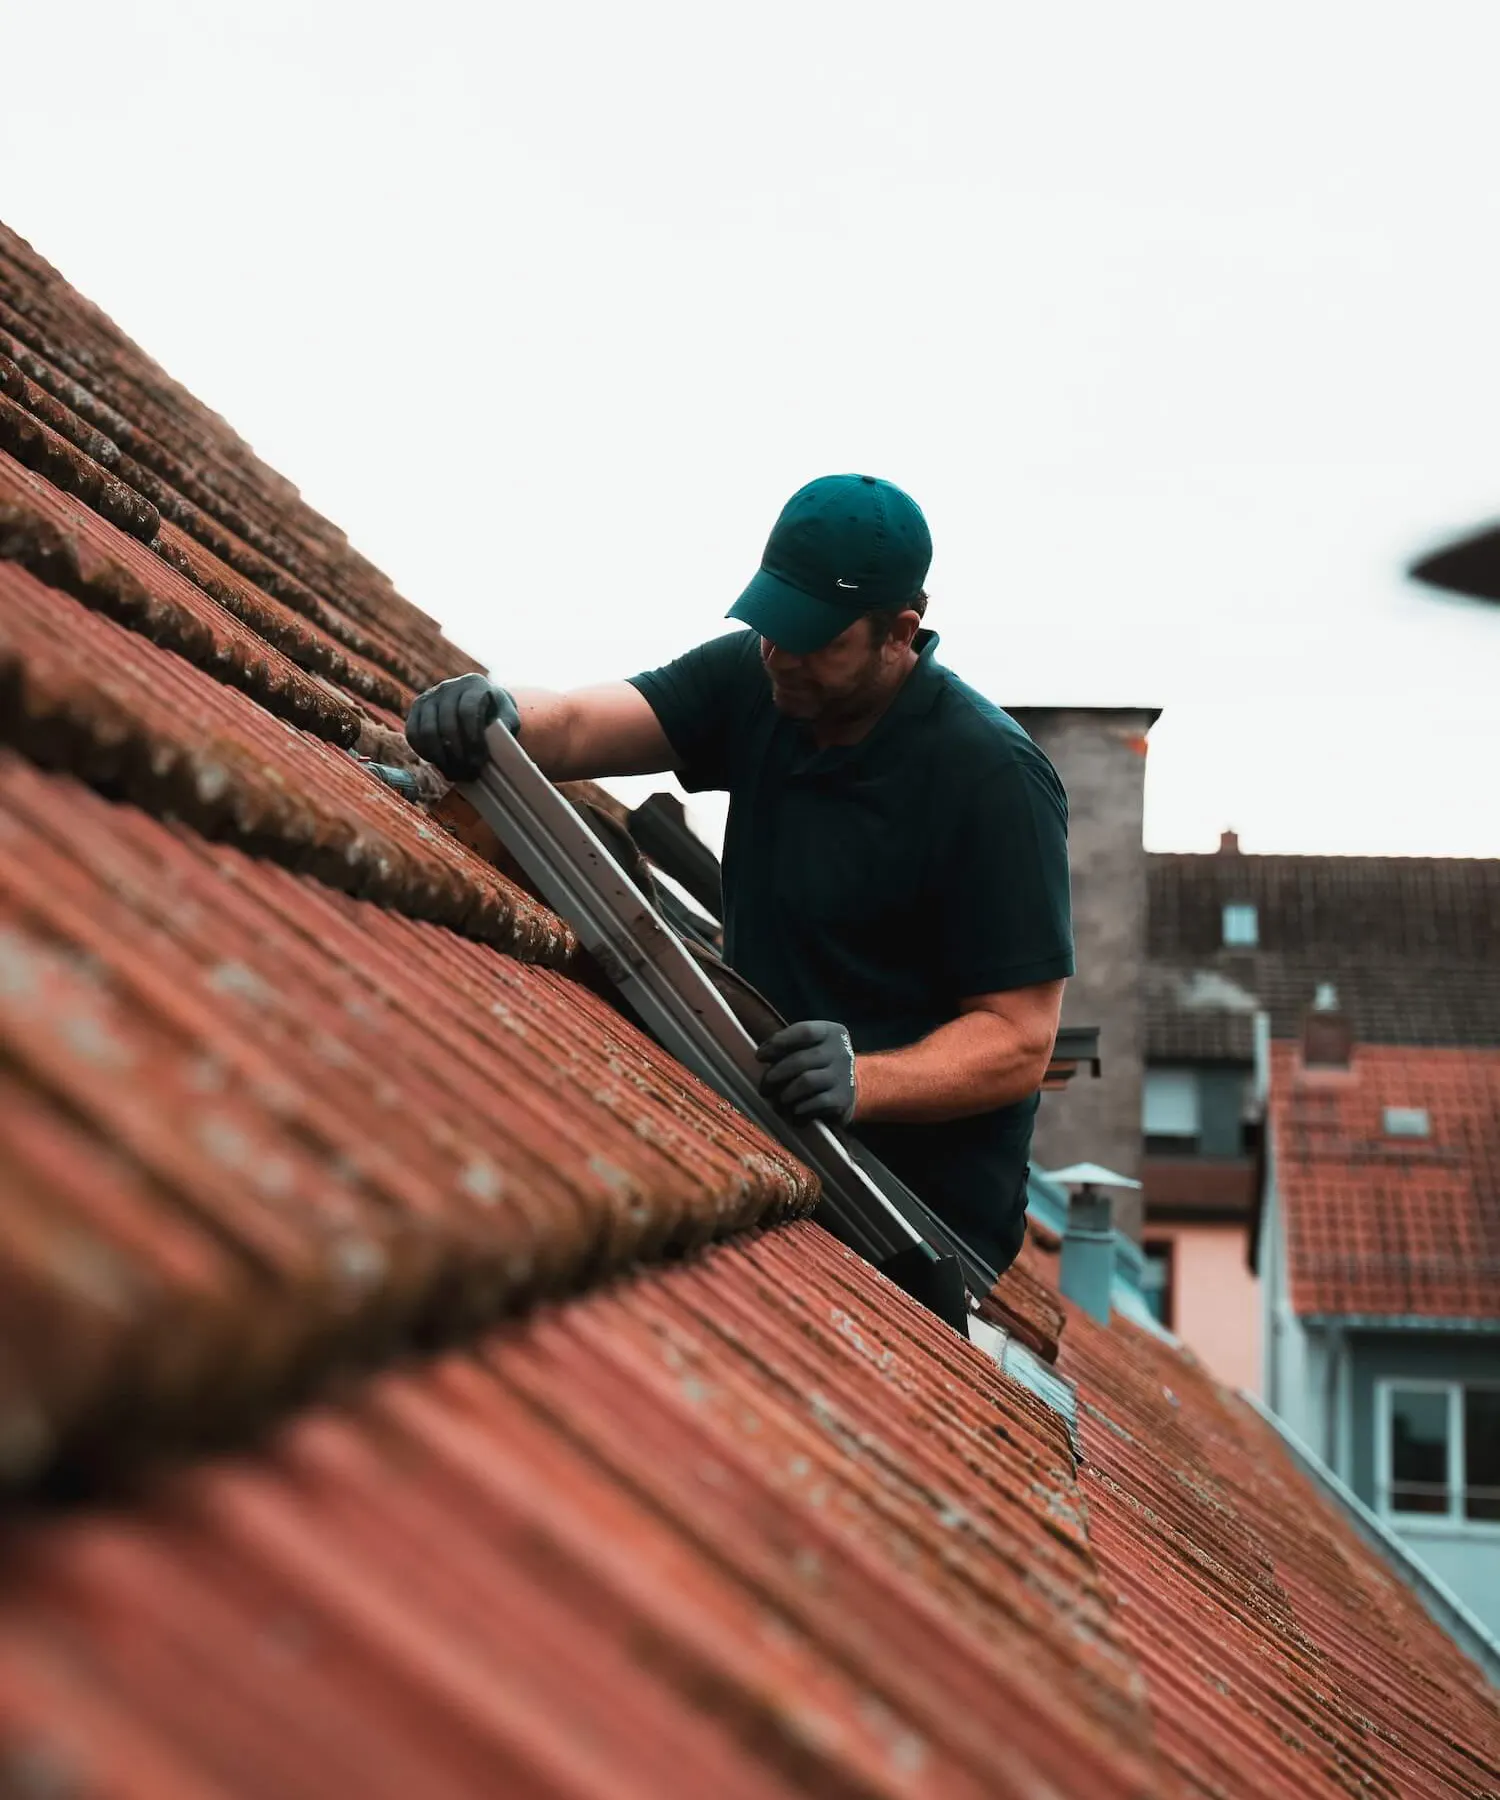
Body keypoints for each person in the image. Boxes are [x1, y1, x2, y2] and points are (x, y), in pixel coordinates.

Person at [405, 474, 1073, 1274]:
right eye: (770, 624)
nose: (780, 655)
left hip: (915, 1218)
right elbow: (580, 725)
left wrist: (866, 1080)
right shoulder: (759, 682)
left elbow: (1018, 1040)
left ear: (899, 632)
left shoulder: (992, 780)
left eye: (815, 638)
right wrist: (499, 713)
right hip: (761, 1112)